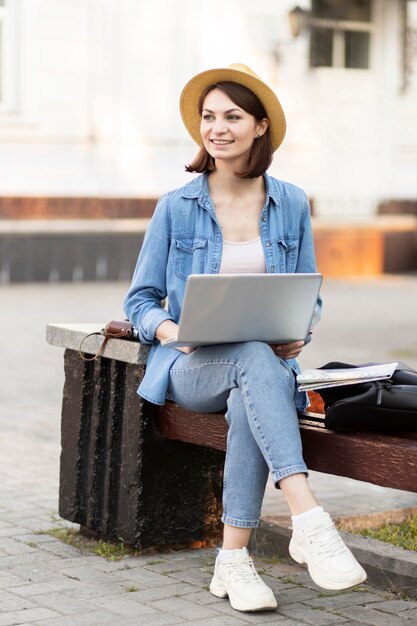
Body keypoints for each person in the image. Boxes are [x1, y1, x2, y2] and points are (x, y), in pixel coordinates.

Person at [124, 63, 367, 613]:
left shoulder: (292, 203)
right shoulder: (176, 206)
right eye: (209, 117)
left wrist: (298, 332)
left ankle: (232, 562)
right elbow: (139, 301)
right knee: (251, 367)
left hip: (261, 368)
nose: (218, 127)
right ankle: (307, 515)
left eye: (232, 116)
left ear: (260, 127)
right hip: (191, 368)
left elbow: (310, 294)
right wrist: (172, 330)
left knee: (250, 393)